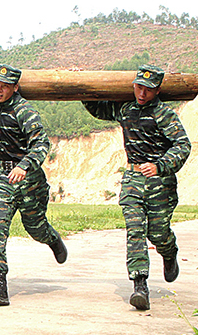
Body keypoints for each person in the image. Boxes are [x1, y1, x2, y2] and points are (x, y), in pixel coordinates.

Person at [82, 64, 191, 310]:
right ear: (134, 85)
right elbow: (96, 108)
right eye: (139, 87)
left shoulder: (165, 114)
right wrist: (81, 83)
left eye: (148, 90)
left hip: (159, 182)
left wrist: (161, 165)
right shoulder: (125, 109)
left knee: (157, 232)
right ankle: (139, 284)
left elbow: (183, 145)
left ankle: (169, 250)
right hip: (132, 180)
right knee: (135, 229)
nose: (142, 94)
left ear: (158, 90)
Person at [0, 64, 67, 306]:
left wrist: (25, 166)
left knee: (35, 228)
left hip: (29, 179)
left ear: (15, 87)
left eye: (4, 86)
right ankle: (0, 285)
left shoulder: (25, 111)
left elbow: (41, 144)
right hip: (3, 176)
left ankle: (52, 239)